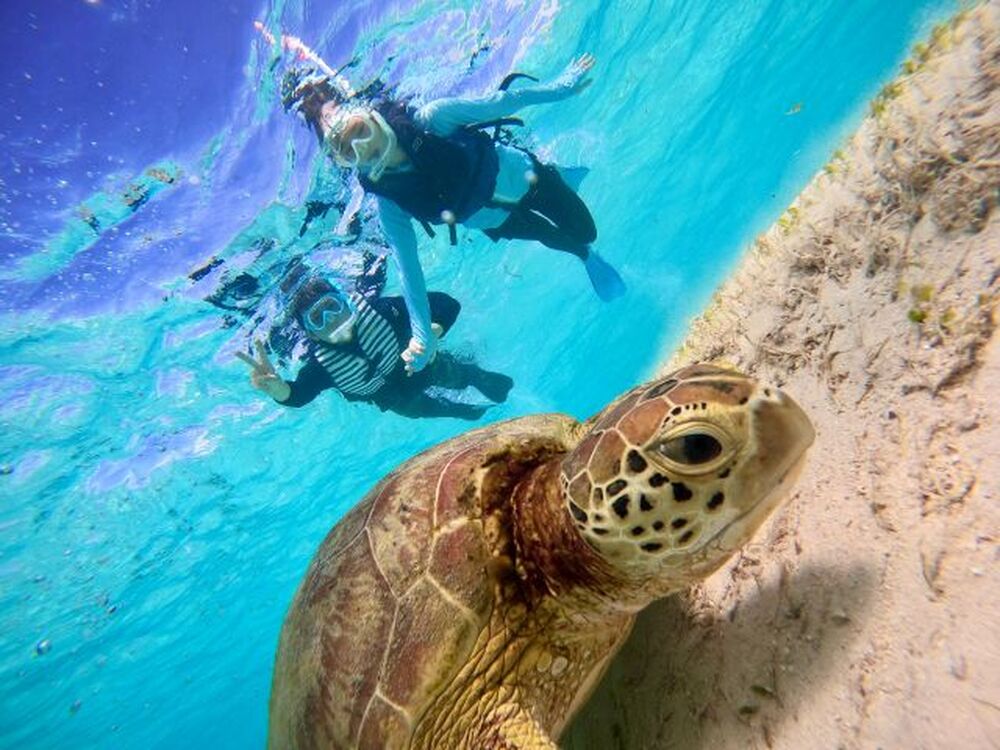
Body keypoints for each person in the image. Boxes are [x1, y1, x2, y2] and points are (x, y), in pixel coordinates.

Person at [282, 53, 625, 375]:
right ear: (345, 163)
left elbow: (501, 102)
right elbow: (409, 272)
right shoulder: (390, 204)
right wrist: (421, 336)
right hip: (497, 221)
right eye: (348, 150)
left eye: (360, 131)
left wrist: (561, 87)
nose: (364, 147)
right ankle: (586, 256)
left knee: (585, 230)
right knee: (557, 239)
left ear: (372, 116)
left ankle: (559, 179)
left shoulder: (433, 119)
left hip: (528, 179)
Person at [238, 273, 513, 420]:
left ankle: (480, 378)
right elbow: (299, 394)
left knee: (462, 375)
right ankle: (463, 412)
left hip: (421, 365)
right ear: (312, 334)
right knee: (435, 411)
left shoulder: (384, 312)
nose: (331, 319)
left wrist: (431, 333)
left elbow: (446, 304)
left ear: (347, 302)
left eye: (333, 307)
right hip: (393, 398)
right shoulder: (321, 366)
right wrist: (278, 389)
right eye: (318, 318)